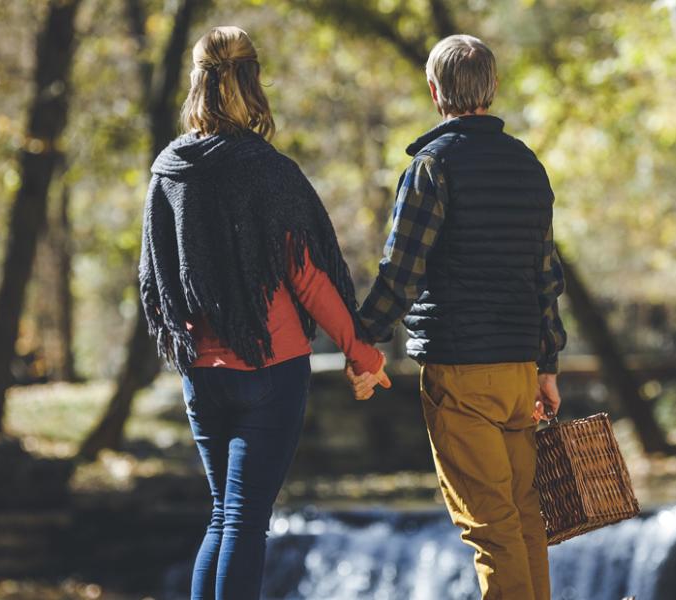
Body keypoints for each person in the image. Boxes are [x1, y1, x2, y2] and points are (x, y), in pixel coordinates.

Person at [138, 26, 389, 600]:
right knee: (244, 523)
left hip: (201, 370)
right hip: (271, 368)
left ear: (196, 83)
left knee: (222, 517)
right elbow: (306, 274)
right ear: (253, 82)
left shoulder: (168, 170)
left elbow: (158, 274)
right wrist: (363, 354)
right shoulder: (267, 169)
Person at [349, 34, 567, 600]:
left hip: (460, 372)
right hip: (521, 369)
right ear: (492, 89)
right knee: (526, 521)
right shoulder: (528, 166)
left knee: (492, 530)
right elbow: (546, 274)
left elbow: (402, 271)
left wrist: (361, 338)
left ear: (433, 92)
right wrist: (548, 363)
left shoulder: (432, 167)